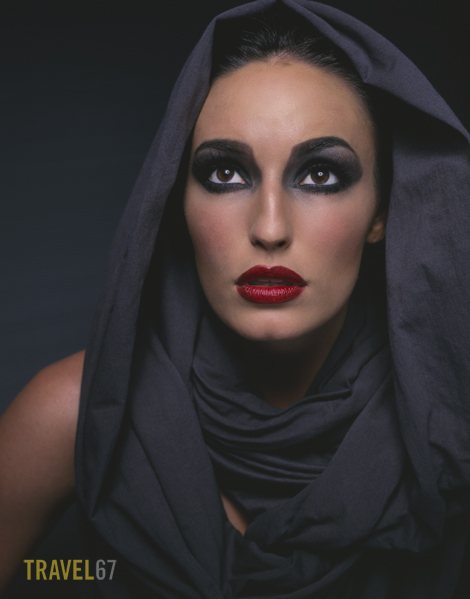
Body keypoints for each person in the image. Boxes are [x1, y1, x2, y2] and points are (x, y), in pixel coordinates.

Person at [1, 0, 469, 597]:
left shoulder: (451, 421)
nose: (269, 228)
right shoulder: (75, 413)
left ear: (381, 212)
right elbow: (54, 574)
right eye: (225, 174)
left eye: (319, 175)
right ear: (176, 199)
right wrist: (74, 575)